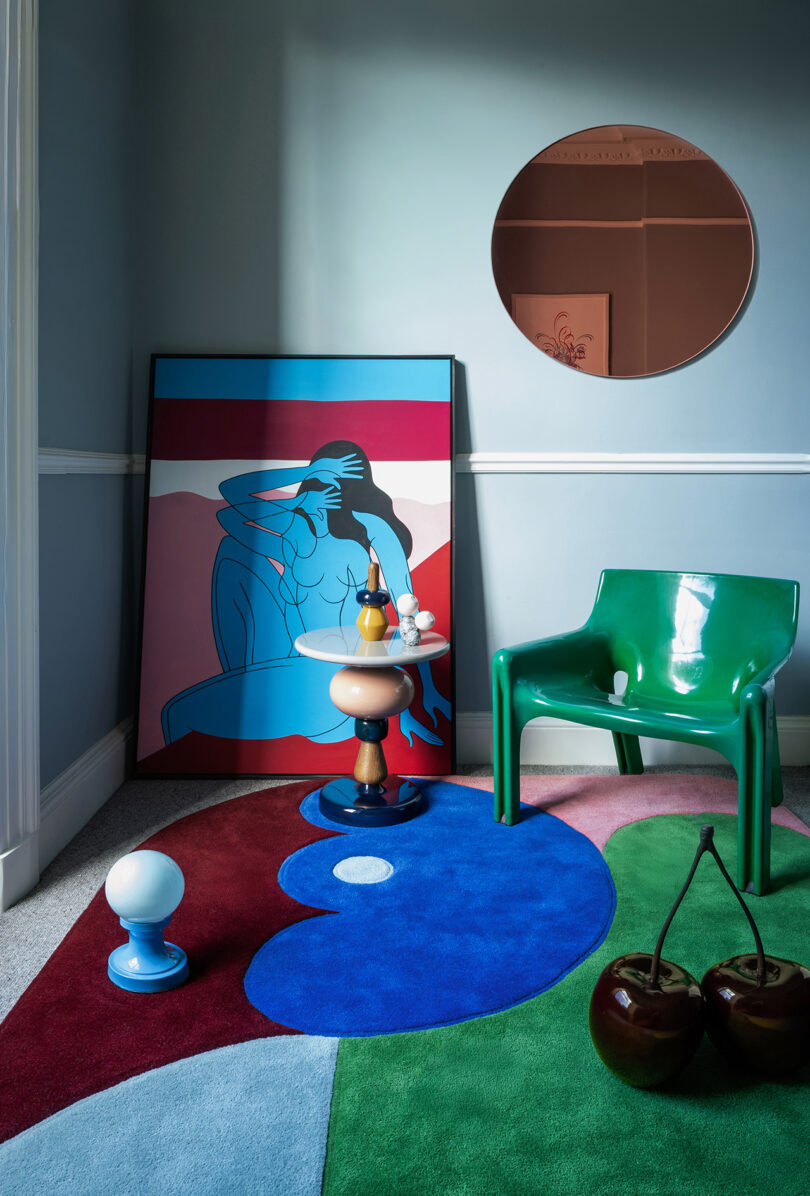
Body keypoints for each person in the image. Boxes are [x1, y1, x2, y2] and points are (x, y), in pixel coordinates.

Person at [161, 440, 450, 747]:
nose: (331, 487)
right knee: (233, 551)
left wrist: (421, 693)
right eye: (322, 477)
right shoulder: (295, 530)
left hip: (335, 681)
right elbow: (229, 508)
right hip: (290, 661)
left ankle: (251, 693)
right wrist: (304, 481)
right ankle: (248, 679)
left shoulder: (368, 530)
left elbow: (408, 612)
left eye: (339, 479)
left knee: (178, 714)